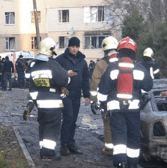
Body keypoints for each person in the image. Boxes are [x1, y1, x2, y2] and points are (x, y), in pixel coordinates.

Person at [98, 37, 153, 168]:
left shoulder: (112, 67)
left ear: (119, 51)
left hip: (116, 110)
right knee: (133, 136)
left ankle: (120, 163)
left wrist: (102, 105)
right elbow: (148, 86)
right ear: (134, 51)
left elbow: (103, 90)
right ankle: (133, 163)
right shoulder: (138, 68)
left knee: (119, 137)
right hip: (133, 110)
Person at [27, 38, 69, 160]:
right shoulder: (53, 64)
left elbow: (32, 88)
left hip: (40, 104)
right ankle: (49, 153)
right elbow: (64, 80)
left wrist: (34, 102)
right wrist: (68, 77)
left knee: (43, 127)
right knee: (52, 128)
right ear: (51, 50)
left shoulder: (34, 66)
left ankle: (42, 150)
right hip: (53, 104)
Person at [55, 36, 90, 156]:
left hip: (76, 94)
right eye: (72, 46)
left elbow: (86, 79)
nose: (74, 49)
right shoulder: (60, 59)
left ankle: (71, 143)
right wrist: (66, 74)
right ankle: (63, 145)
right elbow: (55, 74)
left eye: (76, 47)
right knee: (68, 117)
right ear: (68, 46)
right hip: (65, 93)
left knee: (74, 120)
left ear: (78, 47)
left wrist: (86, 95)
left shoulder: (83, 62)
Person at [89, 36, 118, 156]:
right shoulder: (124, 61)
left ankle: (109, 148)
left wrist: (94, 101)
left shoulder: (101, 63)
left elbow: (95, 81)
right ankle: (121, 148)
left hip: (106, 99)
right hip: (123, 100)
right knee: (121, 123)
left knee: (108, 124)